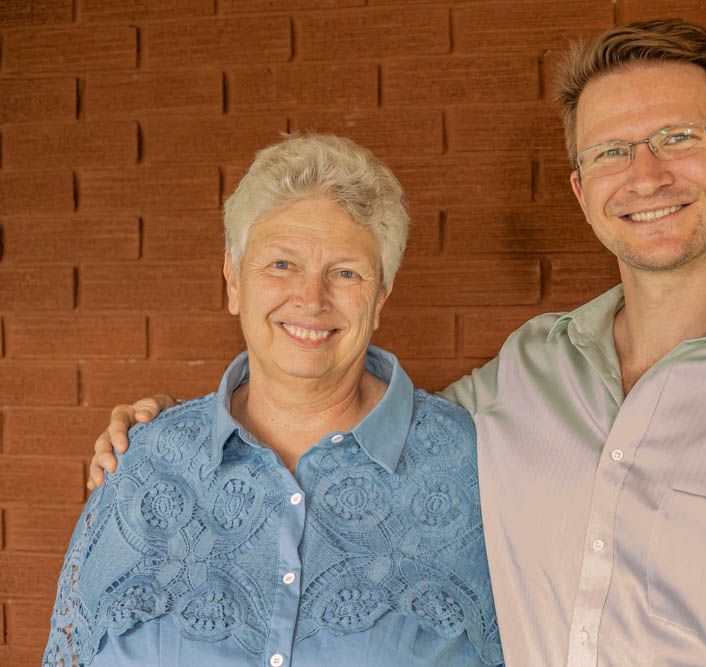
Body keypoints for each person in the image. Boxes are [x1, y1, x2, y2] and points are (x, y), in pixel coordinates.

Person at [87, 19, 706, 666]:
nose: (648, 174)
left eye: (681, 138)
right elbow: (349, 415)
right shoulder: (525, 373)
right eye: (615, 150)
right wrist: (186, 435)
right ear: (583, 192)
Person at [46, 134, 503, 666]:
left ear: (380, 298)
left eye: (345, 272)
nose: (311, 299)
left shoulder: (475, 470)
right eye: (282, 265)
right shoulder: (142, 467)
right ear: (233, 280)